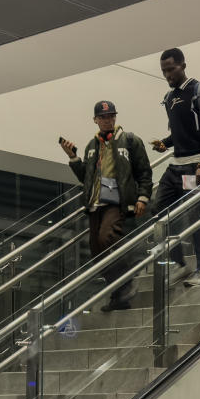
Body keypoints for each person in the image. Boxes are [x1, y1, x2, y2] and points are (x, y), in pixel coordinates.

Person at [60, 100, 153, 311]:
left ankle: (128, 280)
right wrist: (73, 158)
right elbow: (86, 178)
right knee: (97, 251)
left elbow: (144, 172)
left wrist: (142, 198)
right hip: (95, 202)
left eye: (111, 116)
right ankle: (118, 295)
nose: (107, 120)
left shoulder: (130, 140)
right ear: (95, 120)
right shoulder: (92, 146)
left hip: (117, 201)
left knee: (106, 238)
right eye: (102, 117)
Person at [150, 47, 200, 288]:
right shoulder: (169, 98)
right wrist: (164, 143)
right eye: (164, 71)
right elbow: (178, 133)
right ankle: (179, 264)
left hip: (196, 165)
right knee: (159, 211)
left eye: (171, 69)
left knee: (196, 215)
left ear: (183, 65)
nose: (167, 75)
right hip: (175, 166)